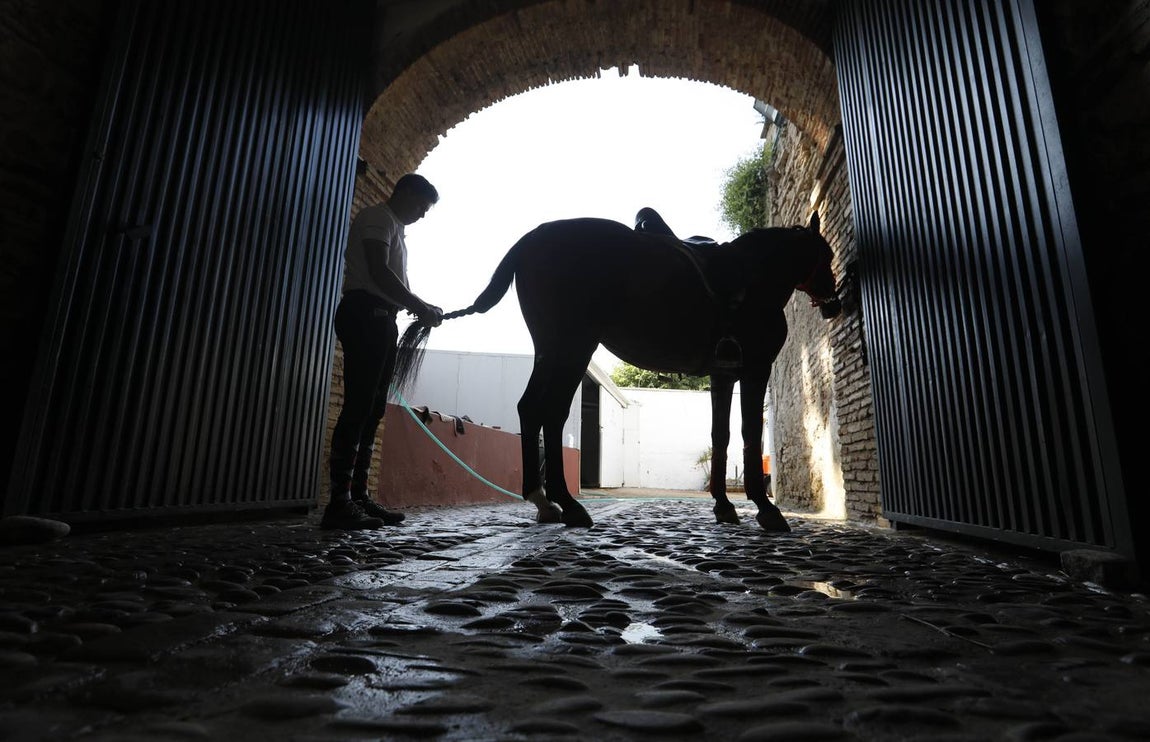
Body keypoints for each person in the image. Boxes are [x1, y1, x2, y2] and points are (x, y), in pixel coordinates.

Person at [322, 173, 444, 530]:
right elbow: (378, 270)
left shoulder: (395, 228)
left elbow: (392, 280)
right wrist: (418, 304)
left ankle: (358, 497)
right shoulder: (378, 217)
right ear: (404, 192)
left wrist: (417, 304)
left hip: (382, 318)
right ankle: (339, 503)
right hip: (365, 314)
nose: (422, 215)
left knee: (373, 408)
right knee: (358, 405)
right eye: (421, 206)